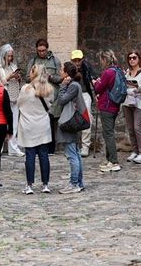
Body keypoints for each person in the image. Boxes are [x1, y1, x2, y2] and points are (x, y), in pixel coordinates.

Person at [17, 64, 53, 194]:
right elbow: (50, 106)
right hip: (43, 124)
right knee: (44, 155)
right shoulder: (49, 89)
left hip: (28, 125)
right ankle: (45, 184)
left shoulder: (26, 89)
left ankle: (29, 184)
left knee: (30, 155)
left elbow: (19, 104)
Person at [26, 39, 62, 154]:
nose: (42, 53)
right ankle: (36, 147)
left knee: (51, 122)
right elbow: (28, 78)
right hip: (37, 96)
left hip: (51, 96)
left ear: (47, 49)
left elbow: (60, 78)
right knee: (37, 122)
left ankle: (51, 148)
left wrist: (50, 77)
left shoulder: (55, 60)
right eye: (39, 51)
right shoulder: (33, 61)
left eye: (44, 50)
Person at [57, 62, 87, 193]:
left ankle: (74, 183)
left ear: (66, 73)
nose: (60, 73)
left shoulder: (73, 86)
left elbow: (62, 100)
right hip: (72, 122)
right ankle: (79, 182)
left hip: (70, 122)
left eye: (61, 71)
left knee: (72, 155)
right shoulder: (75, 85)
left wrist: (63, 86)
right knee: (75, 153)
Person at [92, 50, 122, 172]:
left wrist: (95, 83)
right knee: (108, 132)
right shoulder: (118, 70)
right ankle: (109, 160)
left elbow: (99, 88)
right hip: (114, 105)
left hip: (106, 105)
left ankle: (114, 161)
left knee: (108, 134)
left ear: (104, 60)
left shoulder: (108, 73)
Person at [122, 51, 141, 164]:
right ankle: (134, 151)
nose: (132, 60)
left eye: (134, 58)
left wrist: (138, 86)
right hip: (128, 101)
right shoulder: (127, 72)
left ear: (139, 59)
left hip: (139, 102)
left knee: (137, 127)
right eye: (129, 58)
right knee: (130, 128)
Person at [0, 44, 25, 157]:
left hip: (14, 96)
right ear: (3, 55)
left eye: (12, 56)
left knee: (14, 123)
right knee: (2, 123)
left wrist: (18, 77)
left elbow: (17, 80)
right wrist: (9, 77)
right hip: (3, 97)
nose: (10, 59)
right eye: (8, 56)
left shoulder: (13, 66)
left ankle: (13, 147)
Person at [70, 50, 97, 157]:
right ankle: (72, 145)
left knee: (87, 118)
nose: (77, 62)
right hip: (72, 95)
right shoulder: (68, 68)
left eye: (79, 60)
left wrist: (97, 92)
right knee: (71, 119)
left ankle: (85, 146)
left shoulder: (86, 67)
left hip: (85, 94)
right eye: (75, 60)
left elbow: (93, 79)